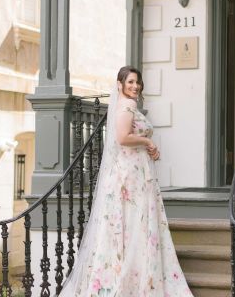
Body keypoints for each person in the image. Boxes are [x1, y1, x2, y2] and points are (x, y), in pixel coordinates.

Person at [58, 66, 193, 296]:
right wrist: (148, 143)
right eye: (130, 82)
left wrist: (146, 147)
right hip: (131, 177)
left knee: (128, 226)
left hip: (130, 172)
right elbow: (122, 138)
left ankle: (128, 279)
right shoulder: (128, 105)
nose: (135, 86)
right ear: (119, 84)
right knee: (135, 223)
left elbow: (126, 138)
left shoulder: (123, 104)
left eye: (137, 82)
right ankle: (134, 283)